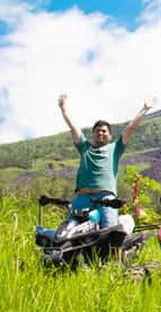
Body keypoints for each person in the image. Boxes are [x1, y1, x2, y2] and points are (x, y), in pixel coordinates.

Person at [57, 94, 154, 228]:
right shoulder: (85, 147)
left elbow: (130, 128)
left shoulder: (115, 148)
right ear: (93, 133)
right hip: (82, 197)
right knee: (68, 230)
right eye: (97, 131)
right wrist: (63, 109)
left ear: (110, 135)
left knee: (109, 232)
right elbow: (74, 128)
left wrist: (145, 109)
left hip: (106, 198)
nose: (100, 133)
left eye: (104, 131)